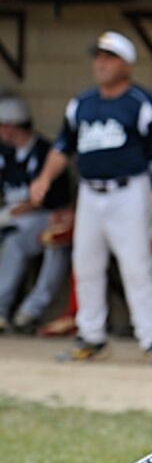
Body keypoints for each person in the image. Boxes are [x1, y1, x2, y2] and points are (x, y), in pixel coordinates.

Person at [29, 31, 152, 365]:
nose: (101, 63)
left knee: (136, 265)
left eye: (110, 57)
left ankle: (151, 338)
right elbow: (62, 147)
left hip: (129, 191)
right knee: (86, 265)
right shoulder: (82, 103)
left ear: (126, 64)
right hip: (90, 192)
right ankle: (91, 336)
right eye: (98, 56)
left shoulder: (139, 101)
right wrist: (43, 178)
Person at [0, 95, 71, 333]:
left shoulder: (45, 152)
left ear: (12, 125)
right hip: (11, 217)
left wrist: (28, 206)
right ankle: (2, 310)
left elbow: (58, 200)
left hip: (44, 218)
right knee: (12, 240)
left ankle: (29, 311)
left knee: (54, 242)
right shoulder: (5, 154)